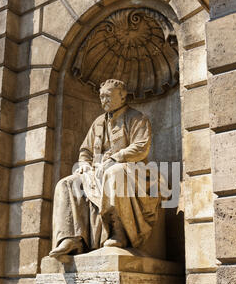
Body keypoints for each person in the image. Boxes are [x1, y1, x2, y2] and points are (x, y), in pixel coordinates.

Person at [49, 79, 160, 259]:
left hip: (131, 171)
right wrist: (84, 164)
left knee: (114, 173)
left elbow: (141, 146)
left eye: (108, 96)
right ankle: (72, 237)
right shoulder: (98, 122)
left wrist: (116, 158)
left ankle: (118, 232)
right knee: (66, 184)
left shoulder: (137, 118)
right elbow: (85, 150)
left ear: (122, 96)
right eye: (101, 96)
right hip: (97, 172)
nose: (103, 100)